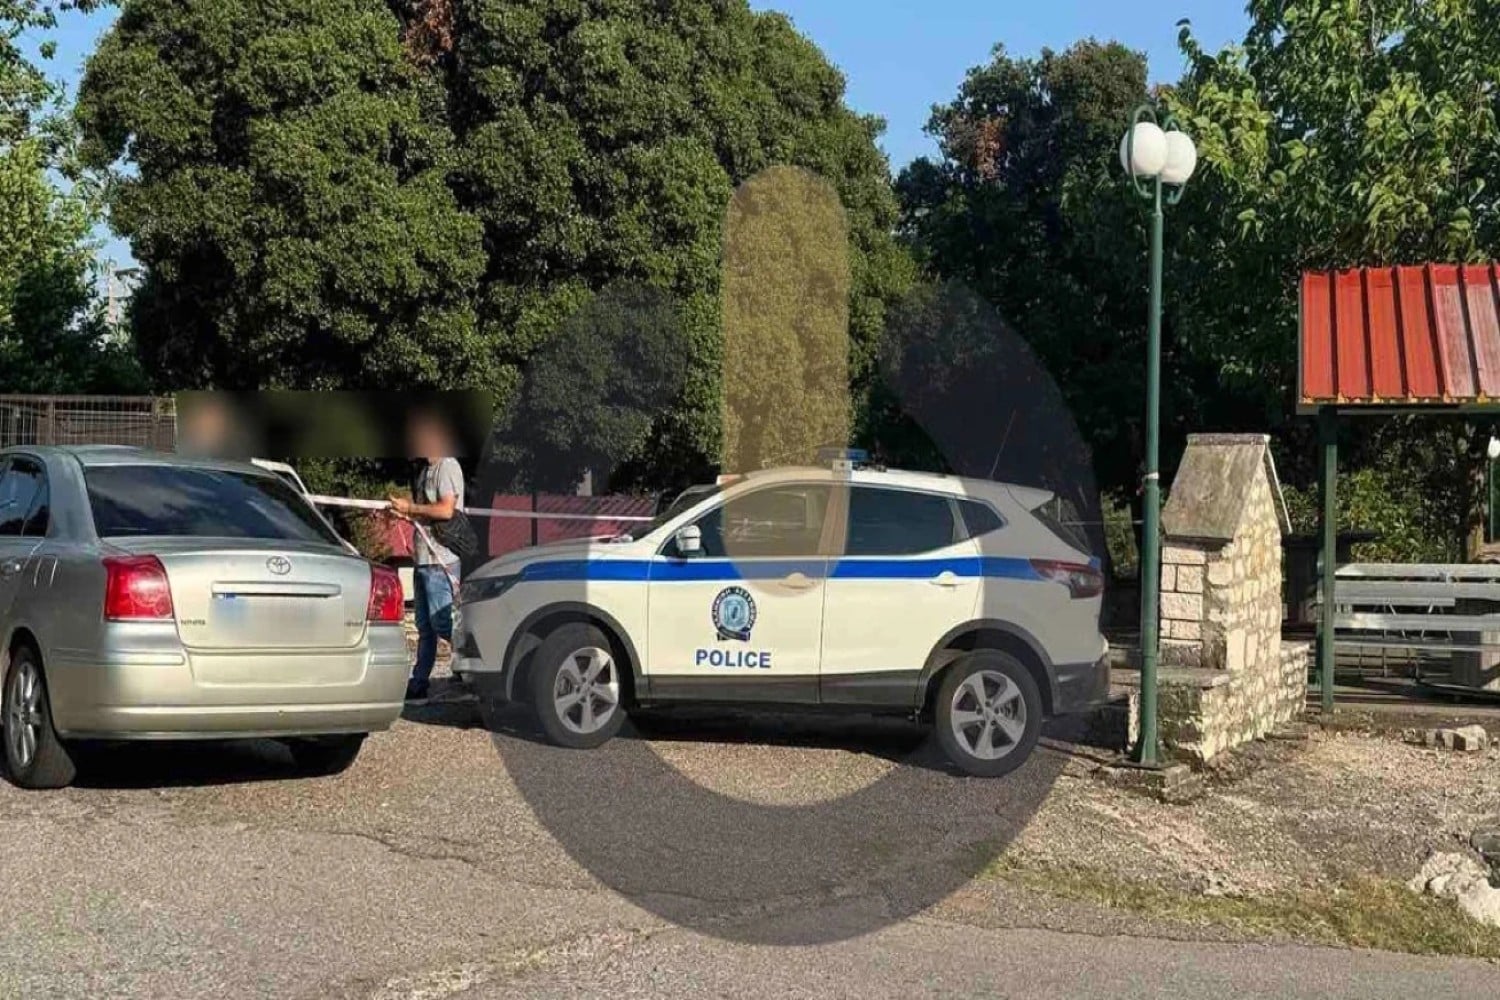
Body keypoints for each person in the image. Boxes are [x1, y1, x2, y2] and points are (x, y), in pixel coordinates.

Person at [389, 411, 465, 705]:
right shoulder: (425, 472)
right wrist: (404, 513)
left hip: (440, 559)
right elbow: (425, 513)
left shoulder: (447, 466)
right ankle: (419, 682)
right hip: (423, 560)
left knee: (442, 623)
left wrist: (411, 508)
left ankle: (480, 665)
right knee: (425, 627)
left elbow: (446, 510)